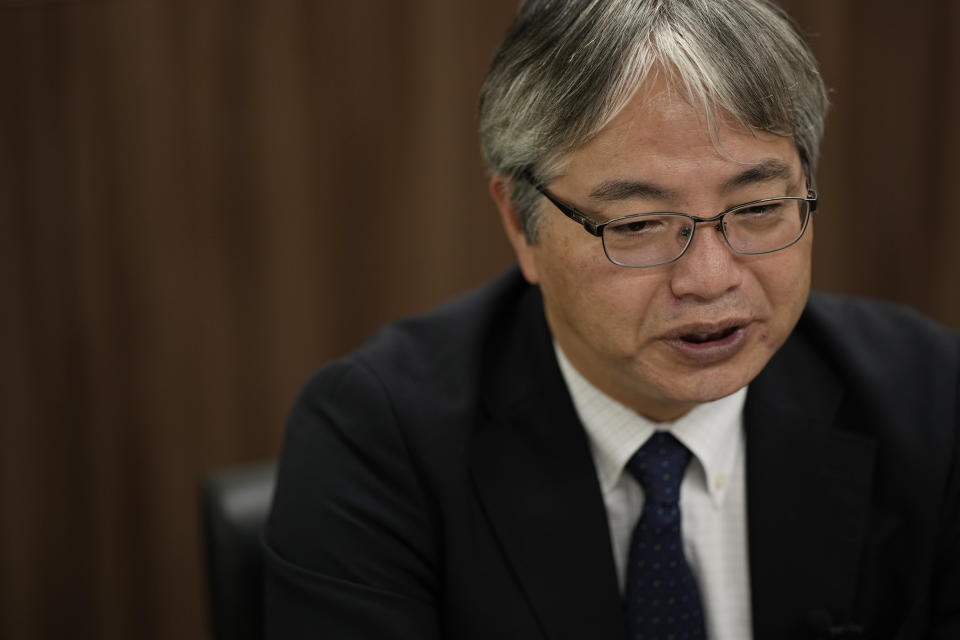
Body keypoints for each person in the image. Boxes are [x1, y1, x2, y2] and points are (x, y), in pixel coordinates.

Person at [264, 0, 960, 638]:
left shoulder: (931, 401)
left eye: (757, 210)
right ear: (518, 221)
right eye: (639, 224)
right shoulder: (377, 441)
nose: (710, 277)